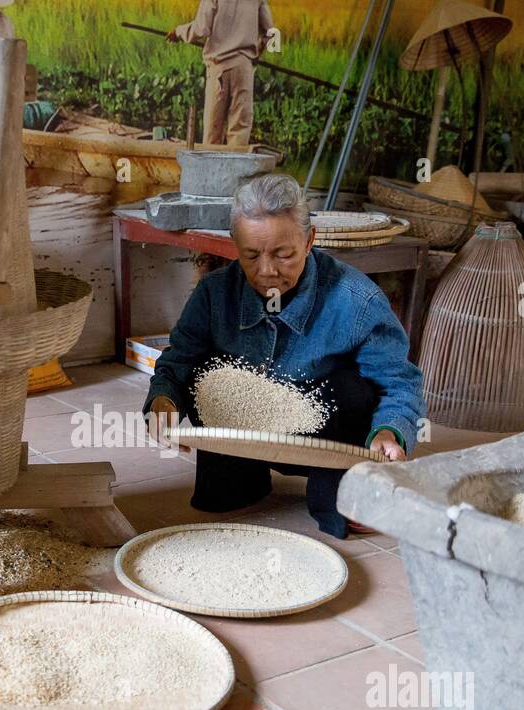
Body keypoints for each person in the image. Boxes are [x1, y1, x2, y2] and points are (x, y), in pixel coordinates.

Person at [143, 173, 425, 540]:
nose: (266, 271)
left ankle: (341, 487)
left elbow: (398, 380)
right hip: (239, 437)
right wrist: (164, 402)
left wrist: (390, 431)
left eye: (282, 254)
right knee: (203, 377)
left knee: (352, 389)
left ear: (309, 240)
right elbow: (177, 361)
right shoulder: (214, 295)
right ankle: (244, 478)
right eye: (250, 255)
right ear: (234, 244)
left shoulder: (357, 300)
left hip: (325, 440)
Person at [168, 0, 273, 147]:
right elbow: (270, 33)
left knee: (213, 130)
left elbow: (201, 29)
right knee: (239, 131)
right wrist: (255, 54)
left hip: (219, 68)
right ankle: (235, 169)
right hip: (244, 68)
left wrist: (178, 32)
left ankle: (211, 168)